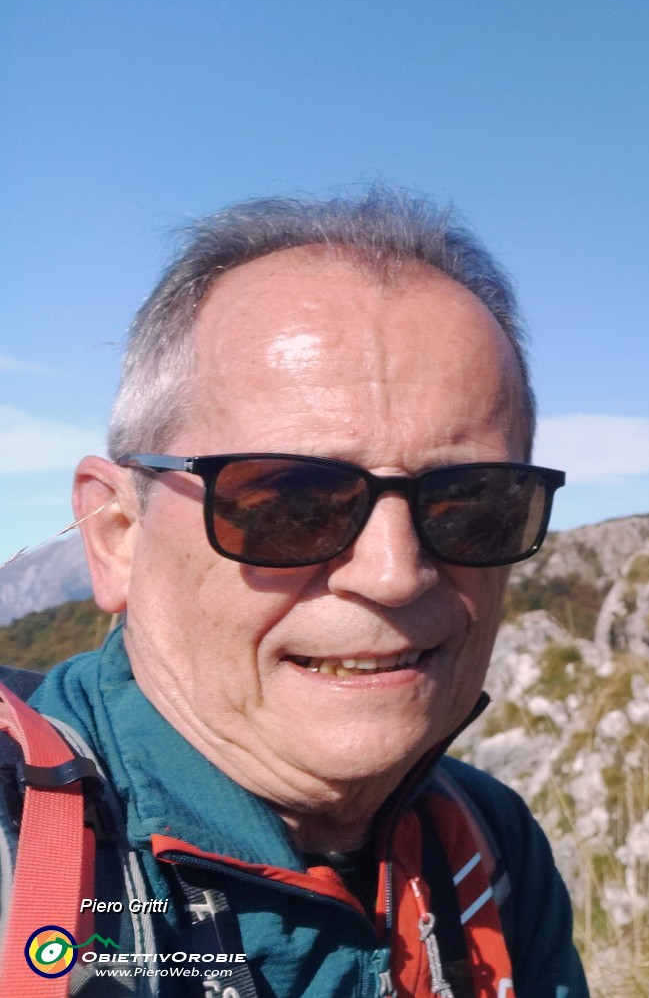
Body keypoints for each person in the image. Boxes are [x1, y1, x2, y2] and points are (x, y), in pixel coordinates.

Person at [14, 188, 588, 997]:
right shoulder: (22, 861)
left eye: (472, 502)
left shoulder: (487, 846)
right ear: (118, 533)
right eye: (289, 501)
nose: (393, 572)